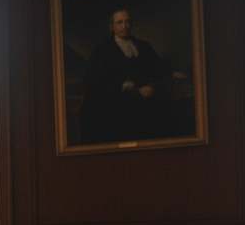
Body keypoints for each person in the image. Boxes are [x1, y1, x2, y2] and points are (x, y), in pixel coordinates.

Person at [74, 9, 189, 145]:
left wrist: (172, 72)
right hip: (117, 101)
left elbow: (158, 64)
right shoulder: (102, 52)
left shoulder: (143, 46)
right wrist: (133, 88)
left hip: (147, 96)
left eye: (127, 22)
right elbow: (96, 82)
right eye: (120, 22)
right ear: (112, 26)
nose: (124, 26)